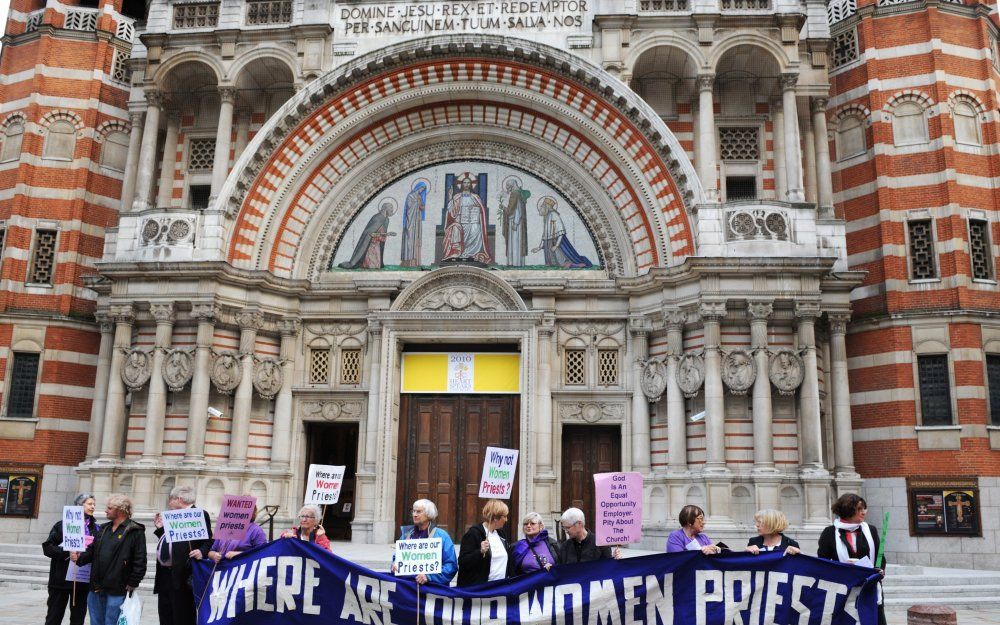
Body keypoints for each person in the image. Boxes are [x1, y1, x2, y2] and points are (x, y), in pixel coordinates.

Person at [70, 494, 146, 625]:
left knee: (112, 622)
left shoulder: (135, 531)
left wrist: (133, 582)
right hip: (96, 587)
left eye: (109, 508)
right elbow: (92, 551)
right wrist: (79, 558)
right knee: (96, 622)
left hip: (118, 588)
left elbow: (140, 560)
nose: (106, 510)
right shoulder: (104, 528)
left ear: (120, 510)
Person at [818, 494, 887, 625]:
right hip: (844, 588)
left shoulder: (870, 530)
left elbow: (880, 556)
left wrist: (880, 570)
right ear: (848, 510)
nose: (864, 512)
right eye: (860, 509)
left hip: (870, 587)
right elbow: (823, 562)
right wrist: (844, 569)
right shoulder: (829, 533)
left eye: (864, 508)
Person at [153, 485, 214, 625]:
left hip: (182, 575)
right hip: (165, 574)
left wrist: (201, 551)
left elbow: (208, 540)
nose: (169, 503)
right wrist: (160, 529)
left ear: (179, 499)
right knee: (166, 614)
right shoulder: (173, 515)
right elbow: (170, 541)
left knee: (182, 615)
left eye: (171, 499)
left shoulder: (199, 514)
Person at [43, 493, 99, 625]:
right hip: (60, 580)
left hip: (82, 580)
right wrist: (67, 551)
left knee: (78, 618)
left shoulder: (96, 529)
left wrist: (84, 555)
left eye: (94, 505)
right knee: (54, 616)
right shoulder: (62, 525)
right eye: (90, 504)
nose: (93, 507)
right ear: (79, 506)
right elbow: (48, 547)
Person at [392, 499, 457, 585]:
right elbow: (396, 558)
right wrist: (394, 565)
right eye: (413, 511)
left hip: (431, 590)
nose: (414, 515)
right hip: (408, 588)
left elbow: (451, 566)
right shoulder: (406, 535)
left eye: (418, 512)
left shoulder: (442, 536)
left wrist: (429, 576)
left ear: (428, 514)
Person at [457, 499, 510, 587]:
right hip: (481, 590)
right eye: (504, 516)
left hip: (500, 587)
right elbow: (463, 562)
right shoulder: (474, 534)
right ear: (496, 518)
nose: (506, 519)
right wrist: (480, 552)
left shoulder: (501, 533)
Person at [442, 173, 491, 263]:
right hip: (459, 220)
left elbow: (481, 210)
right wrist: (450, 198)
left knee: (476, 228)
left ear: (471, 185)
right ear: (461, 185)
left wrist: (476, 209)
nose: (467, 184)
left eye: (468, 183)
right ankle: (458, 253)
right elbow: (451, 212)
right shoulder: (457, 197)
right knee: (456, 228)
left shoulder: (475, 197)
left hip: (472, 220)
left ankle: (469, 253)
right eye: (465, 183)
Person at [192, 506, 268, 563]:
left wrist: (239, 554)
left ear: (252, 512)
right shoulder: (226, 526)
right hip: (221, 573)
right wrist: (214, 555)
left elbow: (262, 553)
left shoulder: (257, 531)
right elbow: (211, 551)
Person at [338, 200, 397, 269]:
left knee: (377, 266)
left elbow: (381, 235)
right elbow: (371, 234)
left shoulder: (386, 220)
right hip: (370, 246)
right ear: (385, 209)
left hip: (377, 245)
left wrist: (386, 234)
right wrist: (387, 234)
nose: (392, 211)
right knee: (372, 266)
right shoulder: (377, 218)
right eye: (391, 209)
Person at [509, 511, 560, 576]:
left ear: (541, 526)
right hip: (527, 584)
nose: (528, 526)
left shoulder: (553, 544)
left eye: (532, 523)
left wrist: (553, 568)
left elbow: (561, 566)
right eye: (525, 524)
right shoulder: (517, 547)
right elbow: (512, 572)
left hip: (549, 583)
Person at [401, 180, 428, 267]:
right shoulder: (410, 196)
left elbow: (422, 208)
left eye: (423, 189)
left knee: (416, 239)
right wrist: (417, 203)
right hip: (411, 221)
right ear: (418, 187)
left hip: (417, 221)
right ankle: (408, 261)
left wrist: (421, 205)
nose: (422, 190)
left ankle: (416, 261)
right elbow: (409, 208)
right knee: (410, 238)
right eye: (422, 188)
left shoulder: (420, 197)